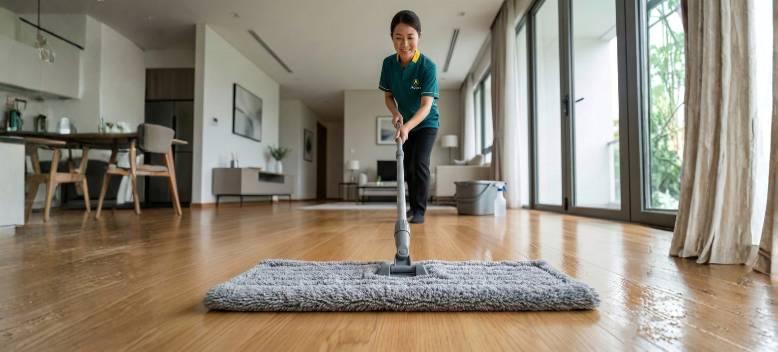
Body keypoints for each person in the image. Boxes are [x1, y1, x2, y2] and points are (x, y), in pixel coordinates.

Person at [379, 10, 440, 224]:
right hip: (406, 123)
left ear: (419, 37)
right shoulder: (388, 64)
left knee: (419, 163)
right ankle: (411, 208)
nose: (404, 43)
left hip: (426, 123)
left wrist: (408, 126)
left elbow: (426, 106)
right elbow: (388, 97)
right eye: (398, 37)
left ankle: (420, 211)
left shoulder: (427, 67)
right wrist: (396, 113)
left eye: (410, 37)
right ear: (392, 38)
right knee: (406, 166)